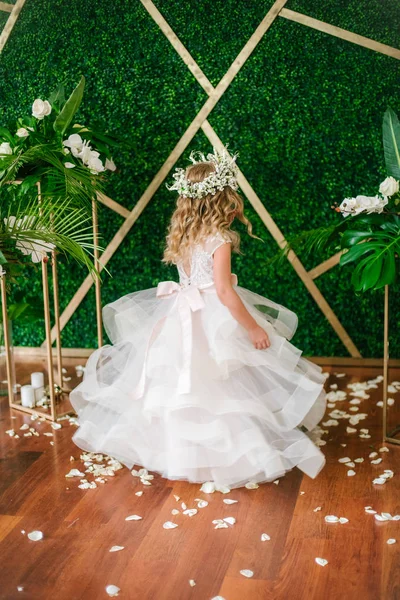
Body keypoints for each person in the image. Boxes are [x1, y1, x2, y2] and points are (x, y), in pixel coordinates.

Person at [69, 147, 327, 491]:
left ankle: (178, 452)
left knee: (181, 382)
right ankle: (229, 456)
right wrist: (252, 327)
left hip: (181, 314)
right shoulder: (218, 239)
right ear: (222, 198)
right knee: (221, 379)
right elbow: (223, 291)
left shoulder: (184, 235)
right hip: (212, 315)